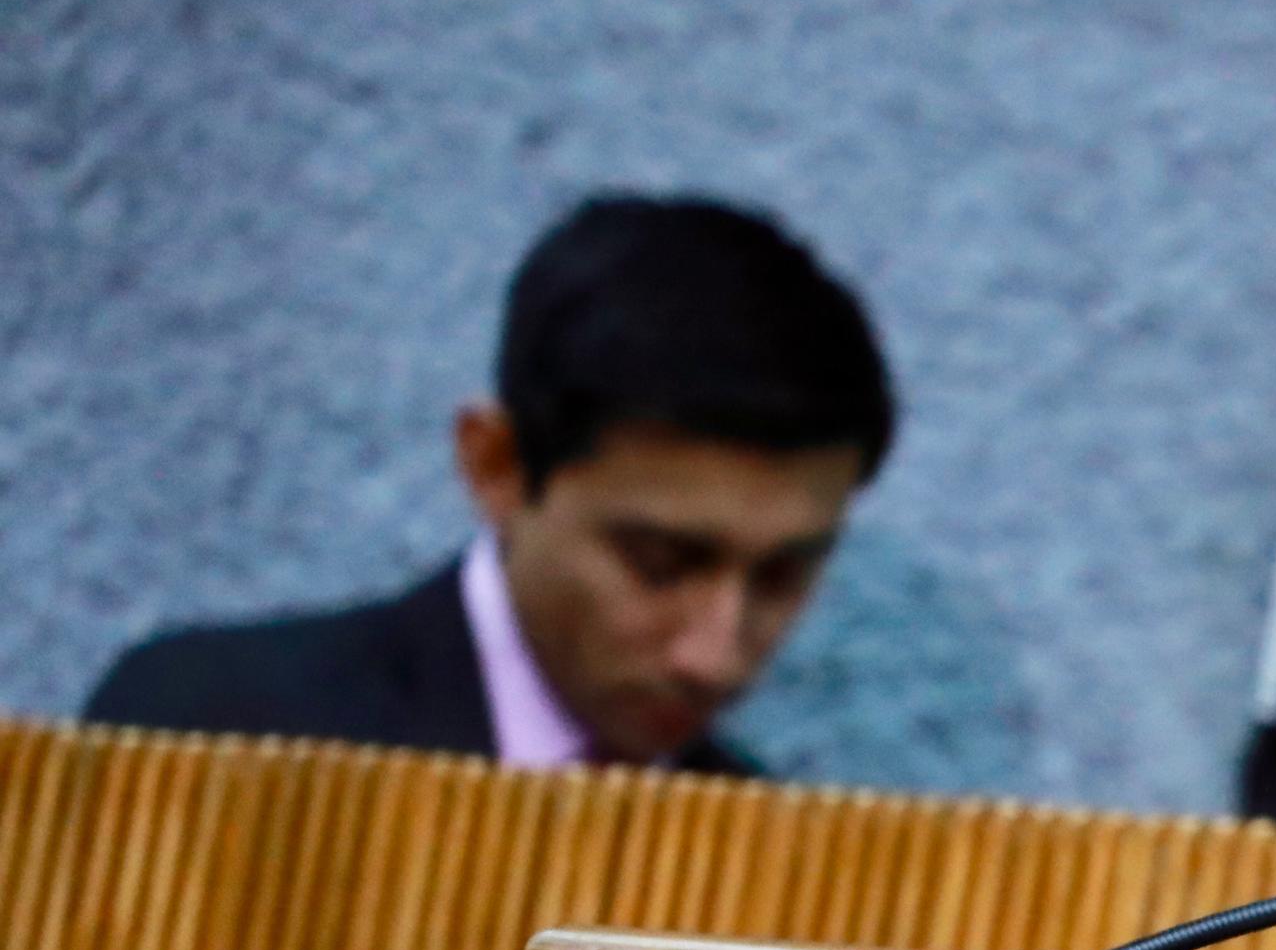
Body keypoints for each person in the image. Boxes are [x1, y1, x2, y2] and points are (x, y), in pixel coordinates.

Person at [85, 195, 894, 774]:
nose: (712, 655)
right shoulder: (209, 733)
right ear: (497, 466)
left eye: (784, 576)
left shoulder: (761, 841)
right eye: (659, 561)